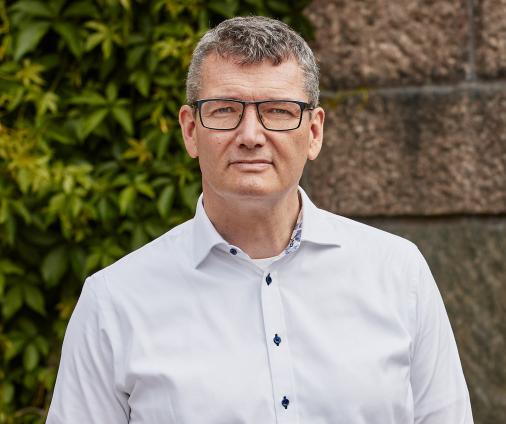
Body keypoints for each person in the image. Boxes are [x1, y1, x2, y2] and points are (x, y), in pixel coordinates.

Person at [46, 16, 473, 424]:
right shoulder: (113, 303)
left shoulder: (399, 274)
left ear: (314, 132)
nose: (251, 136)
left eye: (279, 110)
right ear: (190, 131)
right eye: (224, 110)